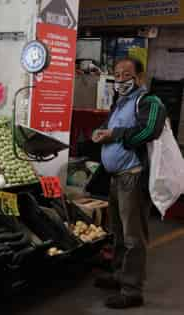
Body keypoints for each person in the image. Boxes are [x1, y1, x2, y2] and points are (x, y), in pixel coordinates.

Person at [92, 57, 166, 309]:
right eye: (117, 75)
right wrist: (100, 132)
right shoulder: (120, 103)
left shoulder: (149, 101)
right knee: (119, 233)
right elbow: (109, 126)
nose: (121, 80)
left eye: (126, 75)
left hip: (133, 177)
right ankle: (119, 275)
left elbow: (149, 131)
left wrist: (115, 135)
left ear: (140, 77)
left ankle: (132, 290)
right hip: (116, 178)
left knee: (134, 237)